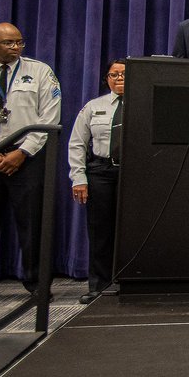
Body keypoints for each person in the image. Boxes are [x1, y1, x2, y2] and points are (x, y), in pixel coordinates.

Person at [0, 23, 62, 297]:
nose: (15, 48)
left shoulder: (40, 72)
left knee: (32, 224)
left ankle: (36, 283)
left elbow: (49, 117)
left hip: (26, 157)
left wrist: (22, 152)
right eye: (8, 43)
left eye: (19, 42)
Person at [67, 59, 125, 304]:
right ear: (107, 79)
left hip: (134, 173)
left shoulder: (147, 103)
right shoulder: (93, 106)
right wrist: (78, 178)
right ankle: (99, 285)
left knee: (131, 229)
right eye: (114, 75)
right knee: (100, 229)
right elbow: (77, 143)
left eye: (124, 74)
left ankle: (129, 281)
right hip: (100, 171)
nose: (119, 79)